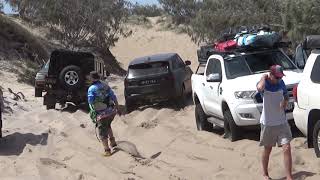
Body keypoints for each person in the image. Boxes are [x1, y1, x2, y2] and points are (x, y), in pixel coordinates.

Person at [257, 65, 293, 180]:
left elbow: (286, 96)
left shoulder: (281, 83)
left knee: (287, 147)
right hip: (268, 123)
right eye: (277, 77)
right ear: (271, 75)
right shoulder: (265, 83)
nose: (279, 80)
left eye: (281, 77)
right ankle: (265, 174)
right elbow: (259, 88)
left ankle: (289, 176)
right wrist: (263, 77)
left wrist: (285, 102)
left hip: (281, 121)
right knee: (268, 149)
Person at [87, 71, 121, 156]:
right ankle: (113, 143)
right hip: (111, 111)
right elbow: (113, 96)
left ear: (91, 79)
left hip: (101, 113)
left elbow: (90, 101)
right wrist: (117, 107)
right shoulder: (105, 85)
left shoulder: (91, 88)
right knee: (108, 125)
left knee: (102, 131)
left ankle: (107, 150)